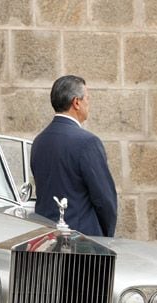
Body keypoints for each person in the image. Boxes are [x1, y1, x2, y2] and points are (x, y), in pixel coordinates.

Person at [30, 75, 117, 237]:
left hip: (45, 240)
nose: (88, 104)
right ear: (76, 102)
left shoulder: (39, 141)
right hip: (81, 243)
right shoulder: (87, 142)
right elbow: (105, 201)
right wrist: (105, 237)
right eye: (87, 99)